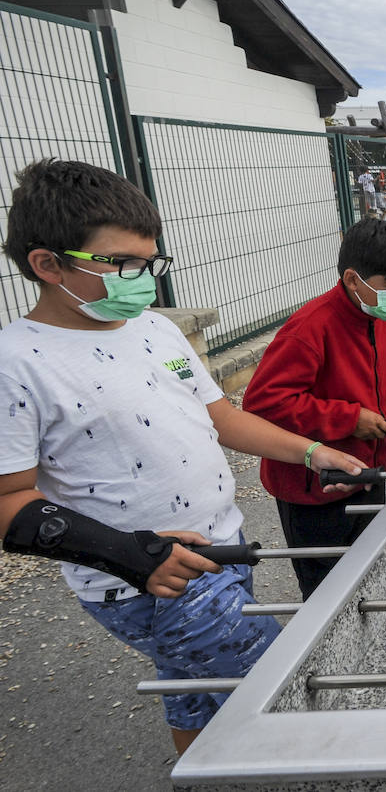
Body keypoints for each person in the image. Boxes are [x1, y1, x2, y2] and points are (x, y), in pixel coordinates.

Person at [0, 159, 367, 755]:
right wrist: (127, 553)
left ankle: (201, 773)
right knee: (293, 696)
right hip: (147, 576)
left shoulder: (156, 330)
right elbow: (10, 499)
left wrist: (311, 451)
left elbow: (219, 417)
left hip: (222, 542)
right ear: (48, 264)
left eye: (148, 263)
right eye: (121, 264)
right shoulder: (17, 363)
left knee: (194, 687)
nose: (140, 278)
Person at [242, 218, 386, 600]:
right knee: (326, 589)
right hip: (313, 487)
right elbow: (263, 402)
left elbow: (377, 364)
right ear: (352, 279)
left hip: (367, 470)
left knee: (366, 568)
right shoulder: (310, 328)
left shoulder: (380, 315)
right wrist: (348, 419)